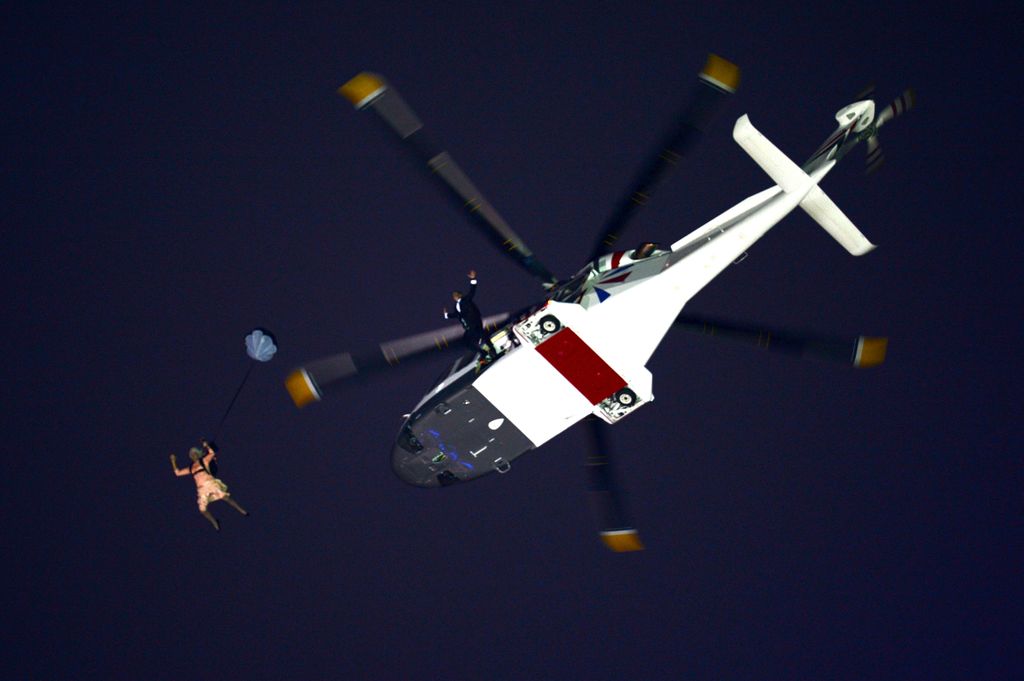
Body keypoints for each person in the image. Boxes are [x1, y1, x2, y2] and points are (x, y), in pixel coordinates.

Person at [171, 439, 247, 530]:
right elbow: (178, 473)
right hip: (201, 488)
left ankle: (241, 510)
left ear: (198, 454)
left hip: (210, 483)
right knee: (202, 509)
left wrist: (206, 445)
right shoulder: (190, 468)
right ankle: (215, 521)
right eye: (192, 454)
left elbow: (212, 453)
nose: (194, 455)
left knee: (224, 497)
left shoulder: (204, 460)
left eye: (195, 453)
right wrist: (173, 461)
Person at [443, 269, 495, 359]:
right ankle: (483, 352)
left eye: (455, 294)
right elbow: (457, 314)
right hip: (468, 327)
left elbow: (472, 291)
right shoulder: (456, 306)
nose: (454, 296)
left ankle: (492, 351)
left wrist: (473, 279)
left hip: (475, 323)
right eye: (453, 295)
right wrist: (447, 315)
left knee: (483, 336)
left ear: (459, 295)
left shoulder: (466, 300)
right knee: (465, 342)